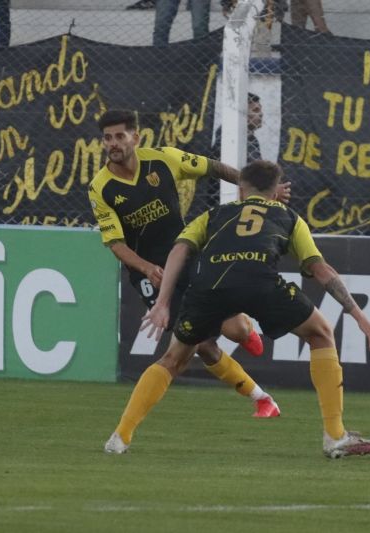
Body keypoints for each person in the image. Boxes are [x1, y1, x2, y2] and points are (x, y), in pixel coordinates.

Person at [124, 160, 370, 458]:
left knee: (173, 358)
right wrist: (360, 317)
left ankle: (120, 436)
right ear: (278, 190)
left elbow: (179, 250)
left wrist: (163, 302)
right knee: (320, 334)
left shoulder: (214, 213)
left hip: (209, 288)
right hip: (260, 283)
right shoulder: (290, 218)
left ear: (241, 189)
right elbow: (321, 270)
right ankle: (335, 436)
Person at [88, 109, 285, 430]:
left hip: (187, 256)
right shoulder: (100, 188)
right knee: (200, 344)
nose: (113, 143)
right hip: (149, 275)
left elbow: (213, 167)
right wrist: (146, 266)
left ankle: (247, 329)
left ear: (135, 138)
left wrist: (256, 191)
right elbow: (115, 244)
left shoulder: (163, 160)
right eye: (107, 138)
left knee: (234, 330)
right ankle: (261, 398)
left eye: (120, 136)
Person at [211, 92, 263, 163]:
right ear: (242, 113)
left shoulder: (253, 139)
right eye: (255, 110)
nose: (261, 114)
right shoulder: (228, 133)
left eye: (260, 110)